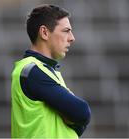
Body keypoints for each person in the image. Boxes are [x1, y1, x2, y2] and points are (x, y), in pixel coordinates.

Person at [11, 4, 91, 138]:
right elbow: (82, 112)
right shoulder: (32, 71)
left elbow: (80, 120)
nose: (72, 37)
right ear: (44, 32)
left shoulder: (44, 70)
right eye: (66, 30)